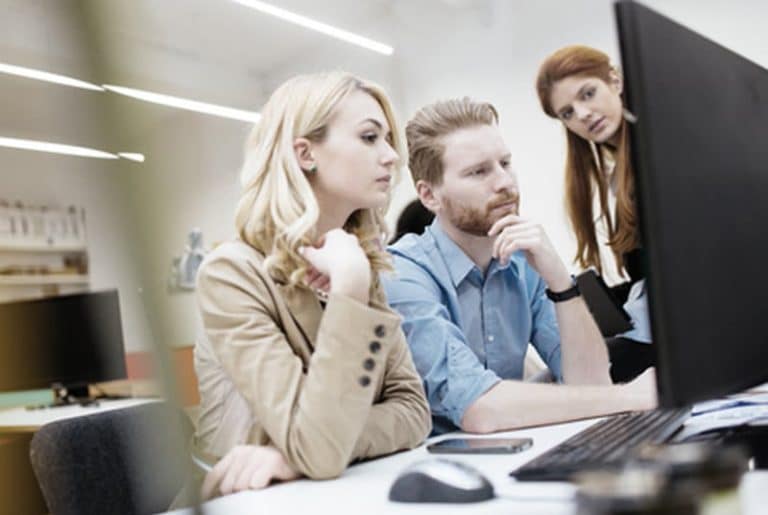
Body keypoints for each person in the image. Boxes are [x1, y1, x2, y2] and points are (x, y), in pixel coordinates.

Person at [192, 71, 431, 499]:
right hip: (252, 501)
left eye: (389, 139)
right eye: (370, 137)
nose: (393, 156)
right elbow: (320, 450)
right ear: (305, 153)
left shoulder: (356, 263)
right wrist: (351, 291)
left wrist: (296, 454)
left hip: (334, 493)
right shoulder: (232, 274)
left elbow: (413, 411)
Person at [382, 97, 657, 435]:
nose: (504, 182)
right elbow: (478, 409)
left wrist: (560, 281)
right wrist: (629, 396)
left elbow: (591, 384)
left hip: (508, 450)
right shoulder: (401, 273)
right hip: (423, 466)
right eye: (478, 171)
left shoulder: (524, 261)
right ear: (429, 196)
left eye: (505, 163)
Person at [536, 45, 654, 382]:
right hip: (653, 324)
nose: (583, 114)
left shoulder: (656, 155)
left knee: (557, 380)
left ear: (614, 81)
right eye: (568, 113)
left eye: (588, 94)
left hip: (683, 332)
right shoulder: (620, 170)